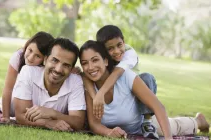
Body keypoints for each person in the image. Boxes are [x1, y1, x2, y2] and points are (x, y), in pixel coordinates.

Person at [79, 40, 210, 139]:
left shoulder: (125, 77)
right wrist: (109, 132)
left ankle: (199, 121)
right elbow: (94, 124)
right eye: (84, 63)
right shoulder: (88, 87)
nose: (90, 67)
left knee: (175, 126)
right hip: (124, 133)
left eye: (95, 60)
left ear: (106, 61)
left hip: (144, 126)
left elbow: (158, 107)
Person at [82, 25, 158, 138]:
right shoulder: (103, 59)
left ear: (124, 42)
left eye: (119, 45)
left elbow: (117, 73)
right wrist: (95, 96)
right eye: (110, 48)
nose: (117, 51)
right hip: (119, 97)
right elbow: (85, 75)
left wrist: (100, 94)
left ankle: (147, 121)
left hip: (135, 94)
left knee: (147, 77)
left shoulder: (129, 53)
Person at [12, 38, 86, 131]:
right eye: (55, 60)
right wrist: (48, 123)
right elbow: (20, 116)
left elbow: (78, 122)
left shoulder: (75, 81)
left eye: (66, 65)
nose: (58, 69)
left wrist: (53, 113)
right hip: (12, 103)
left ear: (71, 69)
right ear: (45, 60)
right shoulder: (28, 71)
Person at [1, 31, 54, 123]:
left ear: (45, 59)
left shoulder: (48, 66)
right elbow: (8, 88)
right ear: (27, 45)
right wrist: (6, 116)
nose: (30, 57)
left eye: (37, 56)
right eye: (30, 50)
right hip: (15, 102)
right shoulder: (18, 57)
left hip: (36, 105)